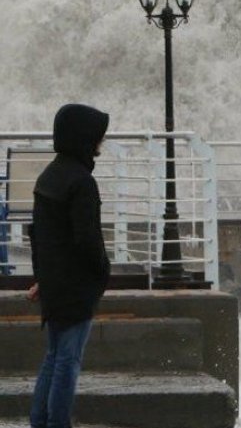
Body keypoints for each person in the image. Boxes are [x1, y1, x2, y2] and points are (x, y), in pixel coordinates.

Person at [27, 104, 111, 428]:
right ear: (83, 137)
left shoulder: (49, 176)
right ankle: (58, 423)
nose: (101, 142)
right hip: (76, 287)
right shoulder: (81, 182)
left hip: (54, 284)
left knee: (54, 357)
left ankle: (40, 421)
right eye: (98, 136)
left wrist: (43, 278)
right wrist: (102, 271)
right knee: (68, 361)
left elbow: (38, 236)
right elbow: (88, 239)